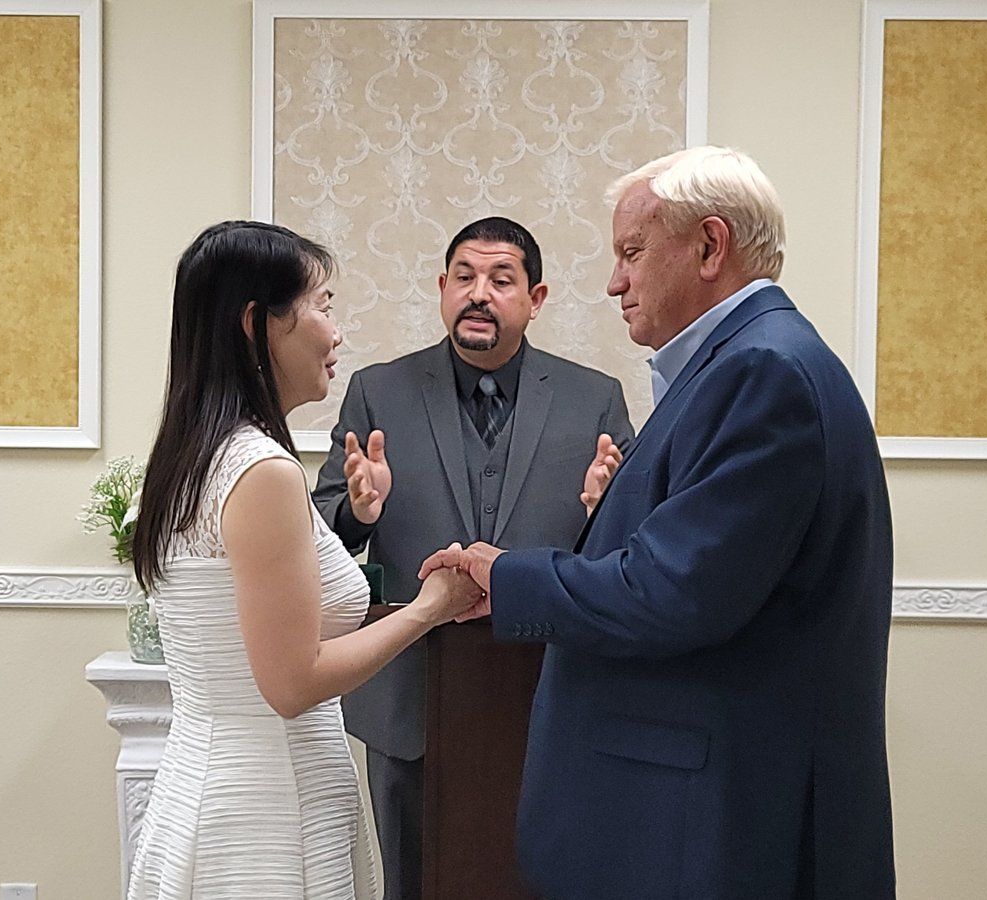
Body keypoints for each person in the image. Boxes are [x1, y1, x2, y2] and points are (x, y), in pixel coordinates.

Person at [421, 148, 896, 898]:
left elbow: (675, 590)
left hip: (713, 827)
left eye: (631, 253)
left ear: (710, 246)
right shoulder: (749, 363)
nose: (615, 281)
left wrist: (506, 576)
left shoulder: (760, 371)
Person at [127, 221, 482, 899]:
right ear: (259, 323)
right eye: (323, 305)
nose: (337, 331)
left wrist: (361, 517)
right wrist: (429, 609)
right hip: (265, 809)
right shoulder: (259, 469)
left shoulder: (198, 452)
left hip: (216, 783)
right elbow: (292, 683)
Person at [313, 216, 634, 899]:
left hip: (546, 693)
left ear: (536, 298)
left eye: (500, 279)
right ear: (441, 288)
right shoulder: (380, 391)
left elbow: (631, 555)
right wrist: (358, 510)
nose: (478, 293)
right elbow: (322, 531)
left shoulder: (594, 397)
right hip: (409, 702)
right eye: (464, 278)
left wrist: (606, 510)